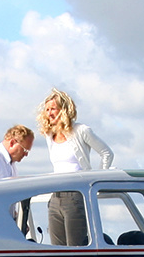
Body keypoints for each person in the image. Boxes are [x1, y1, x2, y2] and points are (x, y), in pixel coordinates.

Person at [36, 89, 113, 246]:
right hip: (55, 195)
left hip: (76, 195)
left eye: (53, 108)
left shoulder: (81, 131)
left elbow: (106, 153)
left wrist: (97, 182)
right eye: (47, 109)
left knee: (75, 247)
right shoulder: (49, 136)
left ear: (64, 109)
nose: (49, 113)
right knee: (57, 249)